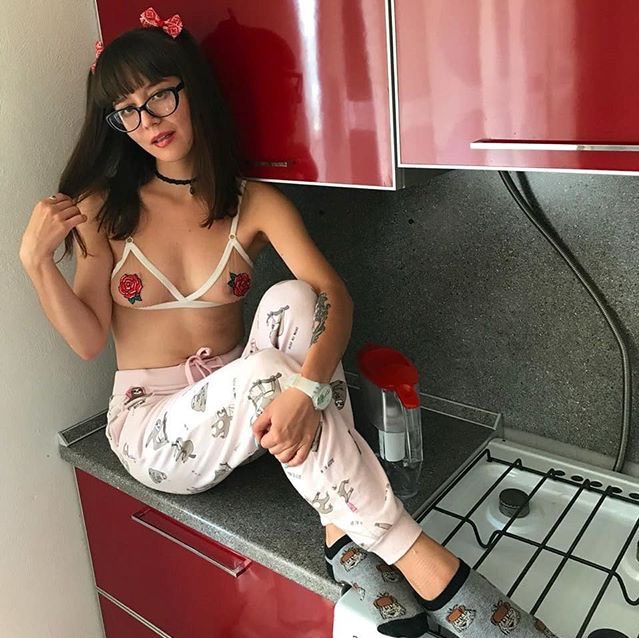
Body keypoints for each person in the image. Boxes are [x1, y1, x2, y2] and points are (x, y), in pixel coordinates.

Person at [19, 8, 559, 638]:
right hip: (155, 430)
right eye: (128, 111)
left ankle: (340, 533)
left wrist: (304, 390)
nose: (149, 122)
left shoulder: (253, 202)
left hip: (253, 409)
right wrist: (36, 263)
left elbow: (334, 296)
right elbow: (89, 340)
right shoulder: (104, 209)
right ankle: (425, 563)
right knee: (270, 374)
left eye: (160, 95)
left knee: (298, 298)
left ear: (191, 88)